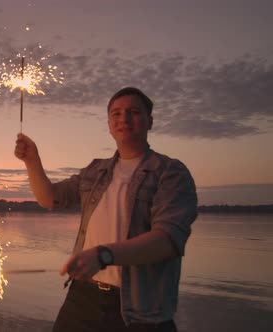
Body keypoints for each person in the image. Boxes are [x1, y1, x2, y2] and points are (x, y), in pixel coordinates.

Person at [14, 87, 198, 331]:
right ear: (109, 124)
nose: (124, 119)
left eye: (133, 112)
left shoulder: (171, 173)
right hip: (83, 298)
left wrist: (103, 255)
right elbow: (49, 199)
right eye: (116, 114)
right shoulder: (95, 171)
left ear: (149, 121)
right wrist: (32, 161)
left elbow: (167, 241)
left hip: (140, 310)